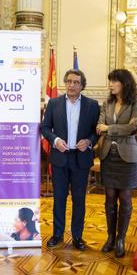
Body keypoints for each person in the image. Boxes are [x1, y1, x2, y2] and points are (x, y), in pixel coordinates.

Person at [40, 69, 100, 251]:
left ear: (82, 86)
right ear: (65, 83)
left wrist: (89, 141)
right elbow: (44, 127)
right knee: (59, 198)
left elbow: (96, 132)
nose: (72, 85)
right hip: (60, 158)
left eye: (76, 82)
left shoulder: (92, 105)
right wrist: (55, 140)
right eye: (69, 81)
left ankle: (77, 237)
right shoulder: (54, 103)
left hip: (81, 159)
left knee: (79, 199)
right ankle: (57, 234)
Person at [96, 69, 137, 258]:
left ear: (124, 83)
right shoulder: (107, 103)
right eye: (110, 81)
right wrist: (111, 129)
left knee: (125, 198)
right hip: (108, 155)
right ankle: (110, 238)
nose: (111, 85)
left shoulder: (135, 102)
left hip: (127, 157)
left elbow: (134, 126)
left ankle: (121, 239)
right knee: (109, 198)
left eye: (114, 81)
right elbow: (99, 127)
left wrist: (109, 128)